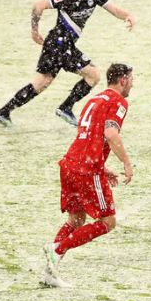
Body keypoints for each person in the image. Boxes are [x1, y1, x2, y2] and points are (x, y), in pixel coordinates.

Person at [0, 0, 136, 127]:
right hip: (58, 43)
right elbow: (38, 5)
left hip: (60, 45)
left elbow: (115, 10)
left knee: (41, 83)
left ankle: (4, 112)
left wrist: (128, 16)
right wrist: (34, 31)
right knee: (93, 75)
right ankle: (65, 108)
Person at [41, 63, 135, 288]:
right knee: (107, 221)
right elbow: (110, 134)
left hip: (70, 164)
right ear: (122, 80)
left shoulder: (94, 100)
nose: (133, 83)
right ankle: (57, 248)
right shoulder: (118, 102)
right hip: (86, 169)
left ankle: (49, 272)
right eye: (131, 79)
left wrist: (103, 167)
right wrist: (126, 162)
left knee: (76, 220)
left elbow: (87, 138)